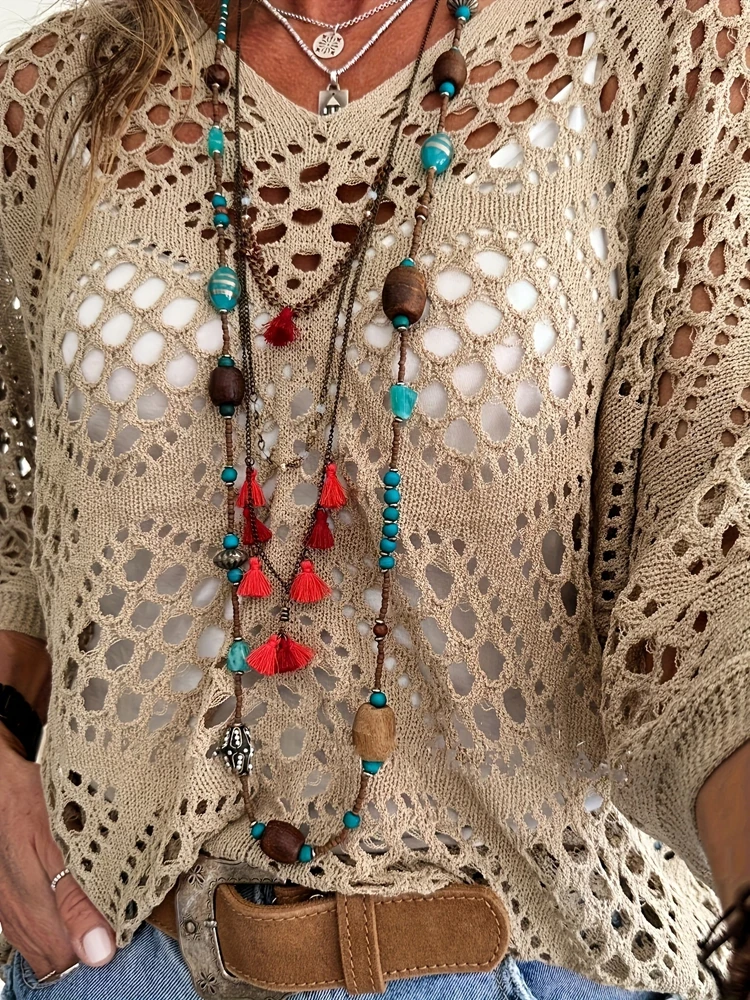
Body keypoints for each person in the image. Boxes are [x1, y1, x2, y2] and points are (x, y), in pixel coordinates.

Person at [0, 0, 748, 996]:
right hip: (118, 956)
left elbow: (717, 556)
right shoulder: (51, 94)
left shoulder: (658, 45)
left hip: (530, 957)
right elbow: (21, 525)